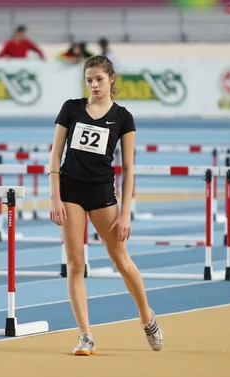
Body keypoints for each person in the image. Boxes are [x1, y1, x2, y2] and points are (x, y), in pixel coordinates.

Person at [48, 55, 164, 356]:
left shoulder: (123, 117)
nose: (94, 85)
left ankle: (147, 318)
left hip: (102, 194)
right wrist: (54, 196)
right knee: (75, 265)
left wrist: (126, 212)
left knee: (121, 260)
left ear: (111, 79)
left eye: (99, 79)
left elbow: (128, 167)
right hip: (70, 191)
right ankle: (85, 336)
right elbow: (54, 156)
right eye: (89, 80)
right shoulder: (71, 108)